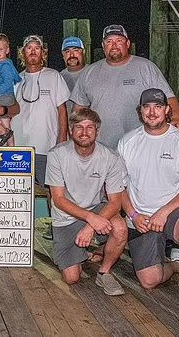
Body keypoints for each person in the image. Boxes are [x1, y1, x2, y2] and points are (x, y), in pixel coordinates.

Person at [119, 88, 179, 326]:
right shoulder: (128, 142)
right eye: (147, 107)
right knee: (149, 280)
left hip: (173, 213)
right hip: (141, 218)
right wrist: (133, 214)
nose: (152, 112)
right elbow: (117, 187)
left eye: (158, 106)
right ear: (140, 111)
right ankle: (177, 263)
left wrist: (164, 211)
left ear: (167, 110)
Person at [45, 108, 127, 295]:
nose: (84, 132)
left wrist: (90, 225)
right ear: (71, 131)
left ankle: (104, 272)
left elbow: (115, 202)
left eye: (90, 128)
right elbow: (58, 199)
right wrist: (91, 218)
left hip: (96, 208)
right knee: (72, 278)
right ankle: (85, 252)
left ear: (97, 132)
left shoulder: (111, 158)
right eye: (79, 127)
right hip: (66, 216)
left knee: (120, 228)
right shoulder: (57, 154)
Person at [71, 24, 179, 149]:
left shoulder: (146, 67)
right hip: (100, 148)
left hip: (140, 147)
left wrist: (176, 120)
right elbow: (78, 111)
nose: (114, 45)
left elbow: (169, 98)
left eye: (119, 41)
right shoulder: (89, 72)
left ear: (128, 43)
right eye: (109, 41)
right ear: (103, 46)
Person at [11, 35, 69, 159]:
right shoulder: (16, 79)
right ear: (22, 52)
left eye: (37, 48)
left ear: (43, 53)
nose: (33, 51)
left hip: (46, 147)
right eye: (29, 48)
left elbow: (62, 110)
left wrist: (63, 139)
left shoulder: (54, 76)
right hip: (19, 146)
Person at [59, 36, 88, 115]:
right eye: (67, 51)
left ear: (83, 52)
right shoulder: (58, 78)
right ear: (63, 54)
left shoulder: (93, 73)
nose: (72, 55)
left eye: (76, 50)